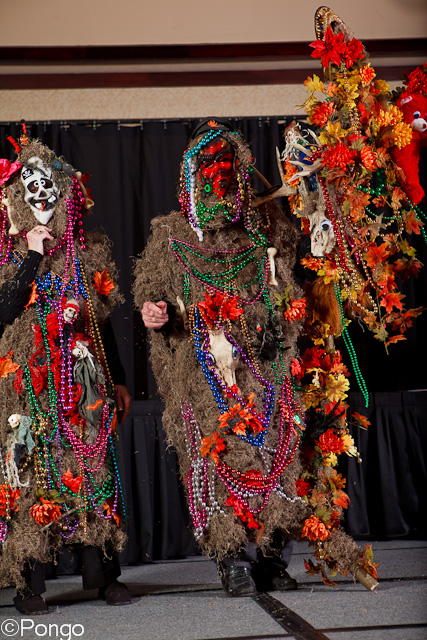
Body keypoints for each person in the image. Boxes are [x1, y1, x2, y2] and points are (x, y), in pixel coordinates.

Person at [134, 118, 304, 596]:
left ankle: (272, 556)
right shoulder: (172, 236)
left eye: (227, 163)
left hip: (263, 366)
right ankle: (230, 557)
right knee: (216, 459)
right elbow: (152, 294)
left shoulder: (265, 230)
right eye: (207, 165)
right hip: (205, 373)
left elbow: (287, 289)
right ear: (191, 173)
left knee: (274, 453)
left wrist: (278, 321)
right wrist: (155, 311)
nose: (218, 174)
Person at [0, 131, 132, 613]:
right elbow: (3, 312)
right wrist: (32, 256)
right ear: (16, 195)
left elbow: (100, 320)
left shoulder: (85, 250)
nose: (41, 196)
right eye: (30, 186)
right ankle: (27, 585)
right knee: (29, 474)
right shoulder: (5, 251)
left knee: (91, 468)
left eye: (48, 186)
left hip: (81, 381)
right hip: (26, 385)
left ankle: (104, 576)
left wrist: (118, 378)